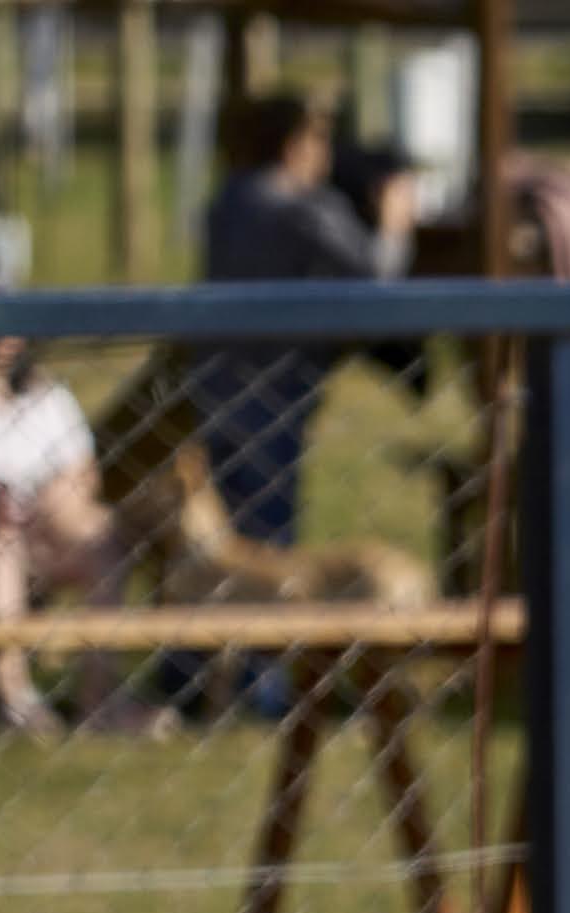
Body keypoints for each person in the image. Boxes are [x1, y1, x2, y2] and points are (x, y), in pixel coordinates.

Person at [181, 88, 417, 713]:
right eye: (318, 140)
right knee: (269, 543)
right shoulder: (301, 207)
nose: (325, 154)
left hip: (215, 385)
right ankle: (263, 682)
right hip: (273, 394)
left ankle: (195, 671)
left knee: (219, 544)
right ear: (293, 145)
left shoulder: (228, 200)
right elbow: (375, 280)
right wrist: (395, 224)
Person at [0, 336, 119, 732]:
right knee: (1, 547)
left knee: (100, 537)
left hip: (45, 533)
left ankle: (99, 702)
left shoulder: (47, 396)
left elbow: (84, 475)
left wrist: (53, 500)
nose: (5, 338)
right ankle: (17, 702)